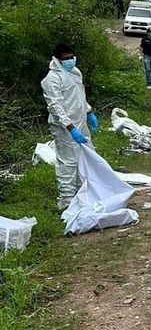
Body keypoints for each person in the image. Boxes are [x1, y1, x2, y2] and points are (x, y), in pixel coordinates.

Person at [41, 43, 99, 210]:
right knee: (68, 163)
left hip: (80, 122)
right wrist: (70, 127)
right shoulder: (51, 80)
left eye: (71, 57)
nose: (70, 61)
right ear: (57, 60)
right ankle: (67, 203)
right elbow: (55, 107)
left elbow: (79, 96)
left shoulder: (74, 73)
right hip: (65, 128)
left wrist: (89, 112)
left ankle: (84, 195)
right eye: (66, 59)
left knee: (87, 158)